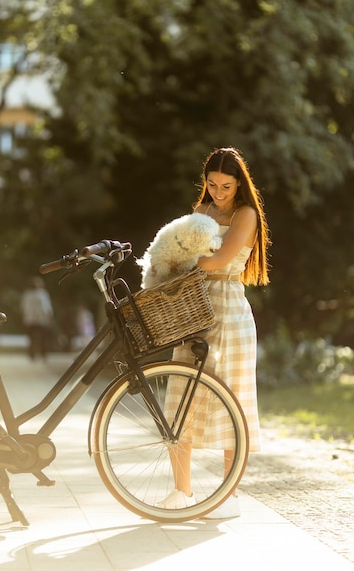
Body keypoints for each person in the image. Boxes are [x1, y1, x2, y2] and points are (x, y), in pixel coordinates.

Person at [158, 147, 270, 518]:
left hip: (230, 307)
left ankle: (229, 495)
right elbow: (180, 249)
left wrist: (180, 261)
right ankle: (182, 491)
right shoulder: (201, 212)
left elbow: (220, 260)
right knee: (180, 393)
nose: (218, 192)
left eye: (226, 185)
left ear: (239, 184)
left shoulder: (246, 214)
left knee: (231, 399)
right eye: (212, 184)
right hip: (195, 306)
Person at [21, 276, 54, 362]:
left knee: (32, 338)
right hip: (41, 319)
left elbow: (24, 307)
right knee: (42, 338)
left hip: (30, 319)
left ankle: (33, 354)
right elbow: (46, 308)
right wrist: (49, 317)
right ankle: (43, 354)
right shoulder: (42, 294)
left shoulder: (27, 294)